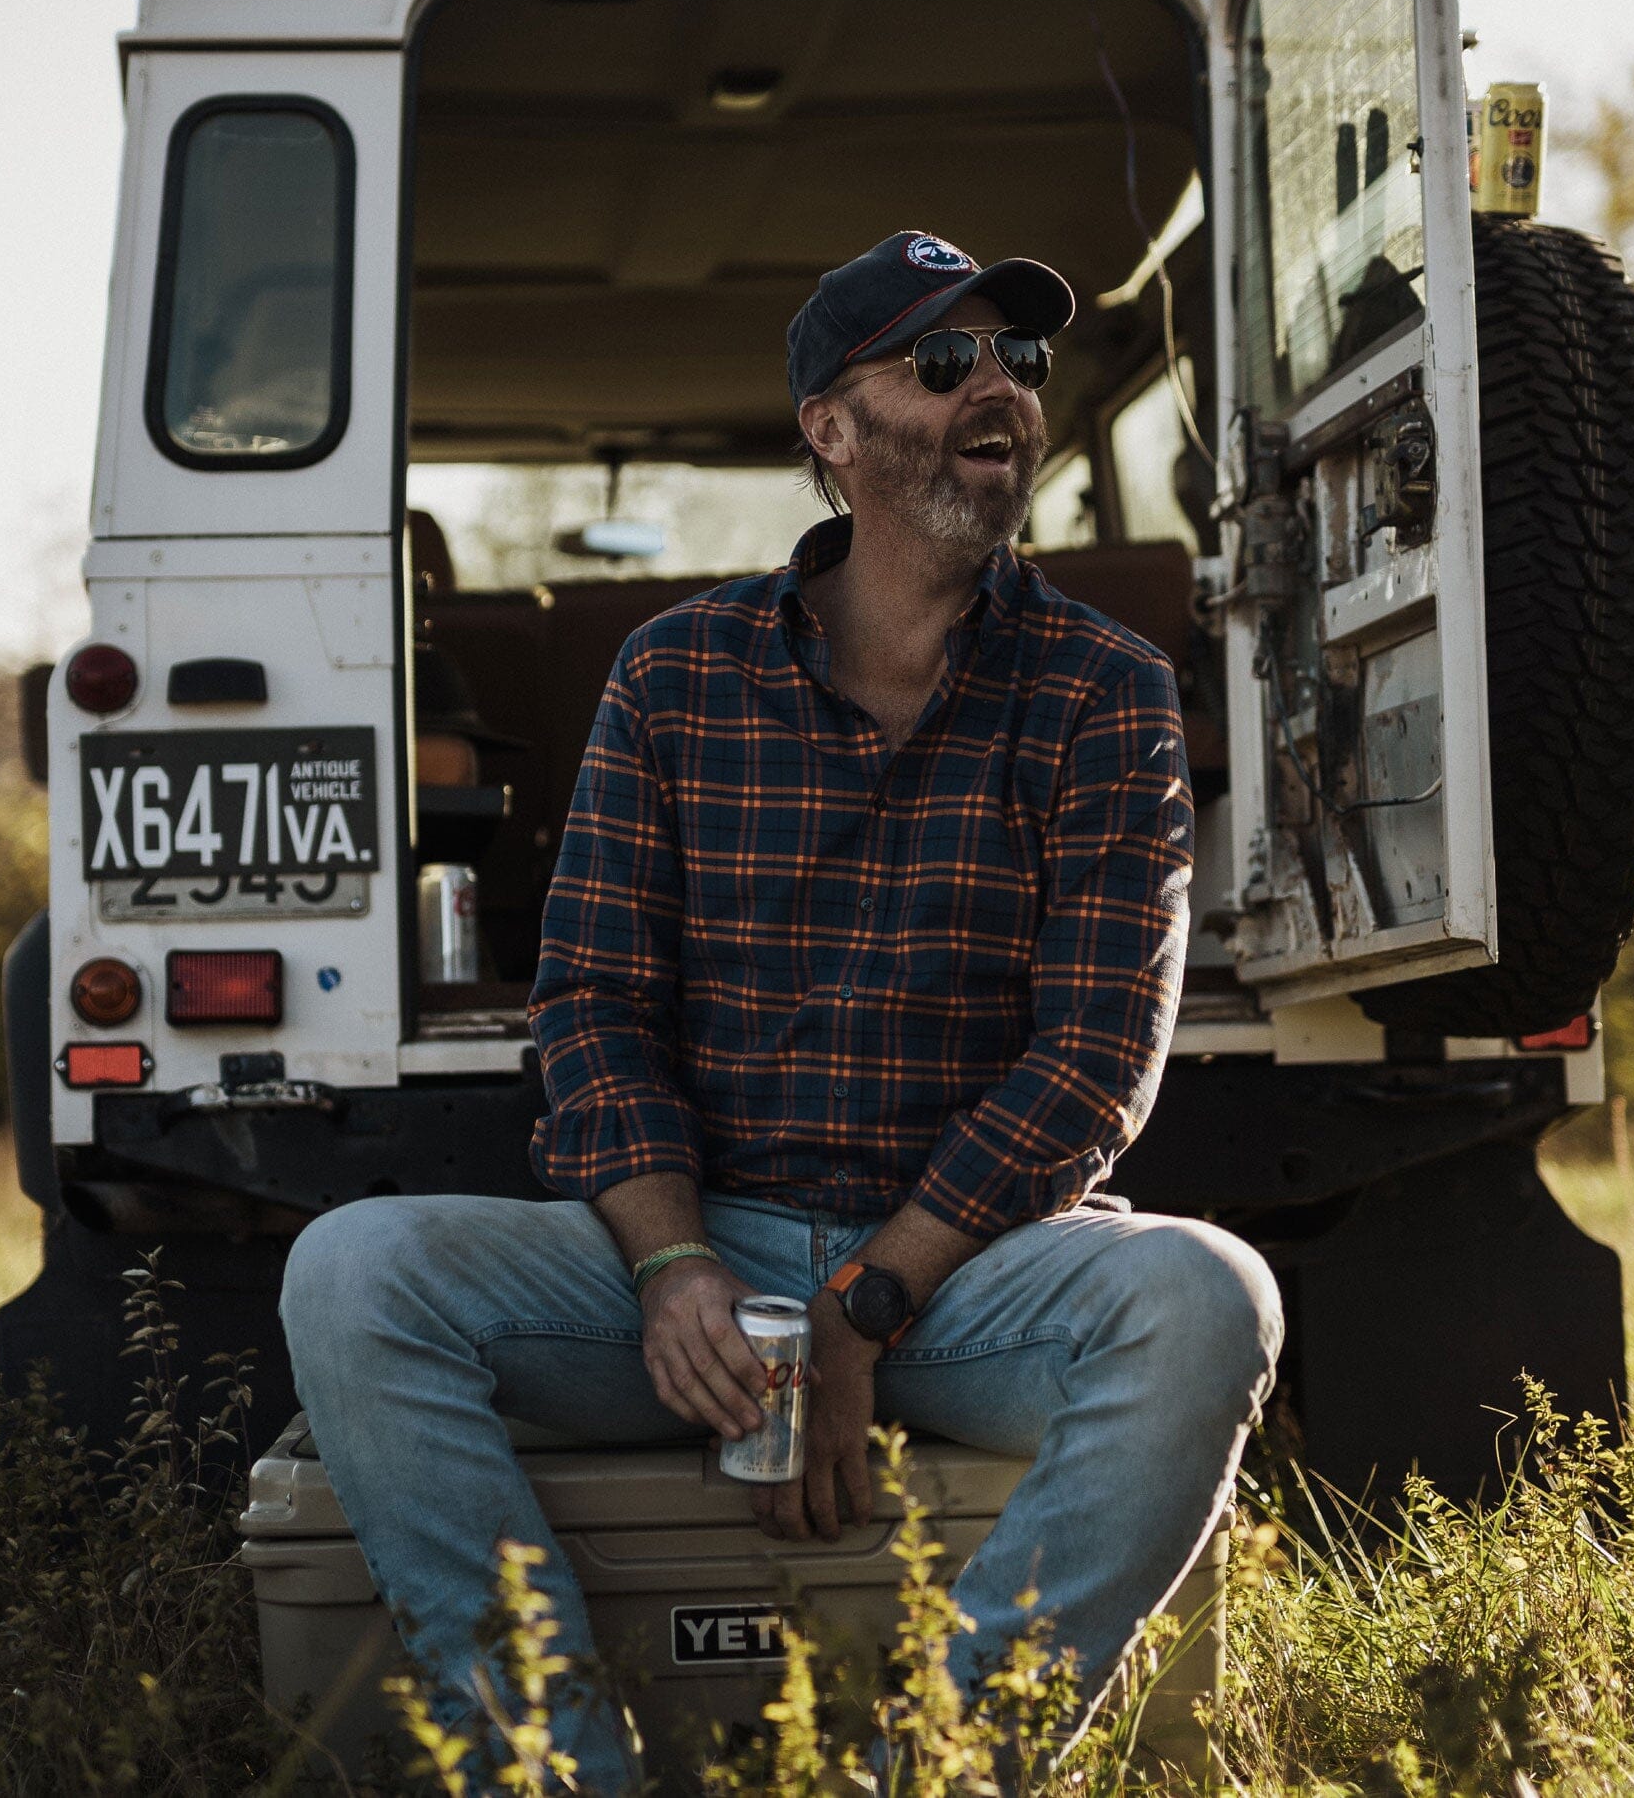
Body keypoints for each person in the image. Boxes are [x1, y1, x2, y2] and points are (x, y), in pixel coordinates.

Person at [281, 229, 1283, 1788]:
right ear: (831, 427)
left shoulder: (1106, 685)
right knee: (352, 1270)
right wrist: (674, 1264)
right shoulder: (671, 678)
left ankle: (935, 1772)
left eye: (1016, 361)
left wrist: (865, 1302)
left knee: (1207, 1299)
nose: (999, 391)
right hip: (698, 1255)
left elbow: (1094, 1060)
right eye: (941, 361)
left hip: (969, 1272)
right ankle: (562, 1772)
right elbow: (595, 1003)